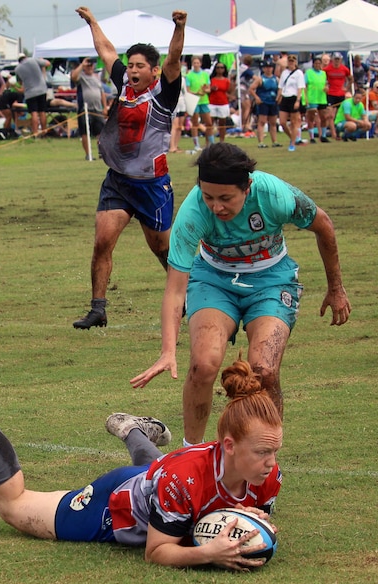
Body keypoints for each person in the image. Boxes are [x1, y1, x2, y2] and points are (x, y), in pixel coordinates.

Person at [0, 360, 280, 570]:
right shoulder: (184, 478)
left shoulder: (267, 477)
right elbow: (157, 551)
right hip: (115, 505)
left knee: (160, 478)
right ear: (228, 445)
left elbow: (252, 518)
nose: (271, 463)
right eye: (263, 452)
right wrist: (207, 554)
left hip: (155, 484)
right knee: (13, 505)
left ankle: (132, 429)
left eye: (275, 451)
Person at [130, 143, 351, 446]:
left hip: (272, 280)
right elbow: (175, 288)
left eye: (225, 198)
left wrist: (335, 288)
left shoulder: (275, 195)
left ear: (247, 186)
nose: (216, 207)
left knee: (265, 371)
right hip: (214, 280)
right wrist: (168, 350)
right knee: (203, 365)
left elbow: (323, 225)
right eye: (208, 197)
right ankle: (189, 454)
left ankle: (266, 455)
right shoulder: (193, 212)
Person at [71, 6, 186, 330]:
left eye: (139, 66)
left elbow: (174, 59)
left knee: (163, 249)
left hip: (152, 186)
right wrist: (93, 22)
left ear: (152, 71)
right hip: (118, 181)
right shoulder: (123, 83)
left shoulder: (164, 93)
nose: (132, 70)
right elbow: (106, 51)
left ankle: (188, 296)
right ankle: (98, 308)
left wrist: (179, 28)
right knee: (102, 242)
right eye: (130, 65)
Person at [71, 57, 107, 159]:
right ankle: (88, 154)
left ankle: (102, 152)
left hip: (97, 109)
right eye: (88, 65)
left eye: (91, 65)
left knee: (101, 132)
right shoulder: (81, 77)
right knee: (85, 132)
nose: (90, 66)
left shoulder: (96, 78)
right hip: (85, 109)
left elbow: (102, 93)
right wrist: (82, 64)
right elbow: (74, 77)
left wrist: (104, 107)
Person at [14, 54, 51, 137]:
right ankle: (44, 131)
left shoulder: (17, 69)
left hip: (30, 93)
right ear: (25, 57)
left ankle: (35, 132)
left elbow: (19, 82)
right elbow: (48, 63)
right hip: (41, 90)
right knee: (42, 112)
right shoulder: (33, 60)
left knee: (34, 113)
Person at [276, 55, 305, 151]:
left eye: (293, 61)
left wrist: (297, 100)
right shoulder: (284, 72)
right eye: (290, 61)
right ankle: (293, 137)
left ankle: (292, 144)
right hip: (285, 97)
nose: (291, 63)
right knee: (282, 122)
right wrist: (278, 96)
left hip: (293, 97)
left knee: (294, 122)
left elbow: (300, 87)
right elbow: (281, 86)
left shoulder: (299, 73)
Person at [251, 60, 281, 148]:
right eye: (266, 67)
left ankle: (274, 141)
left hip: (273, 101)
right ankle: (261, 141)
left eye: (270, 67)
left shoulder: (276, 79)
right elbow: (251, 89)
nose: (268, 69)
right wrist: (257, 98)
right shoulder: (260, 79)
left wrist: (279, 97)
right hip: (263, 102)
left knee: (273, 122)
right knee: (262, 121)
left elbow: (280, 89)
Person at [185, 55, 213, 150]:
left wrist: (205, 90)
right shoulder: (189, 75)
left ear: (200, 63)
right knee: (195, 123)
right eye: (194, 63)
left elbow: (209, 88)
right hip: (194, 101)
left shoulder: (205, 74)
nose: (196, 65)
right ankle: (196, 145)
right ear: (192, 64)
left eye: (198, 63)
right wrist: (197, 93)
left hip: (204, 101)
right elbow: (188, 90)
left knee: (209, 123)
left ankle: (210, 143)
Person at [303, 55, 329, 143]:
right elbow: (305, 86)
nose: (318, 65)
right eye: (316, 63)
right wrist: (305, 98)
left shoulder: (323, 73)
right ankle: (312, 137)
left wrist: (326, 87)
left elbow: (325, 84)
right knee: (311, 117)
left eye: (319, 63)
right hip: (312, 97)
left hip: (321, 98)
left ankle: (323, 135)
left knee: (324, 117)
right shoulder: (308, 73)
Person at [207, 61, 233, 143]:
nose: (220, 69)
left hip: (223, 103)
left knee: (222, 124)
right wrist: (211, 89)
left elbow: (230, 91)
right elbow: (207, 90)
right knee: (210, 123)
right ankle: (209, 142)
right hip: (212, 102)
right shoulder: (212, 79)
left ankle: (222, 141)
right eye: (218, 67)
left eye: (222, 68)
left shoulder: (226, 81)